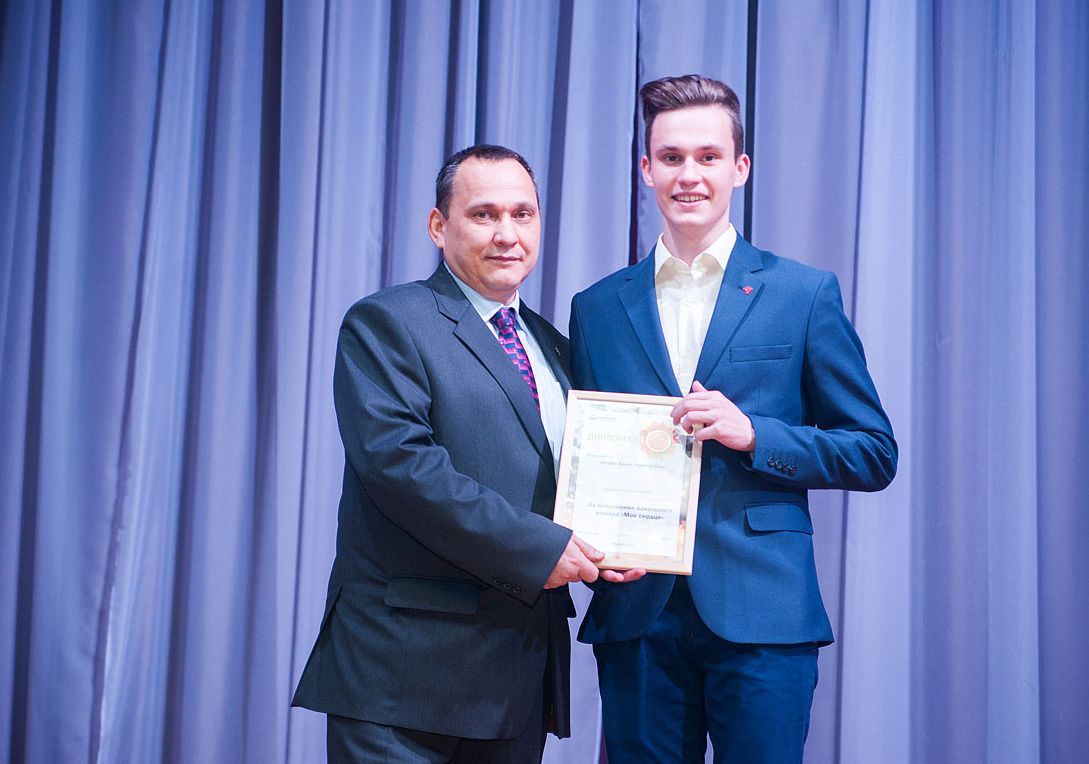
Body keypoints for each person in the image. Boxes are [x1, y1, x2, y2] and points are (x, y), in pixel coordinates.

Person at [569, 75, 898, 763]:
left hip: (764, 610)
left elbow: (873, 451)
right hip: (637, 614)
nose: (689, 175)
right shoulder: (596, 307)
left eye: (708, 157)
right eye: (671, 157)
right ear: (647, 169)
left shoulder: (802, 293)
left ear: (740, 168)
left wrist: (755, 435)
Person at [293, 144, 635, 764]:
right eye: (484, 214)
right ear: (438, 225)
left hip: (515, 679)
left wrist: (617, 541)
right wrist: (543, 549)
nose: (507, 234)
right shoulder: (387, 322)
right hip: (403, 680)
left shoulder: (555, 348)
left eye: (523, 214)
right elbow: (403, 468)